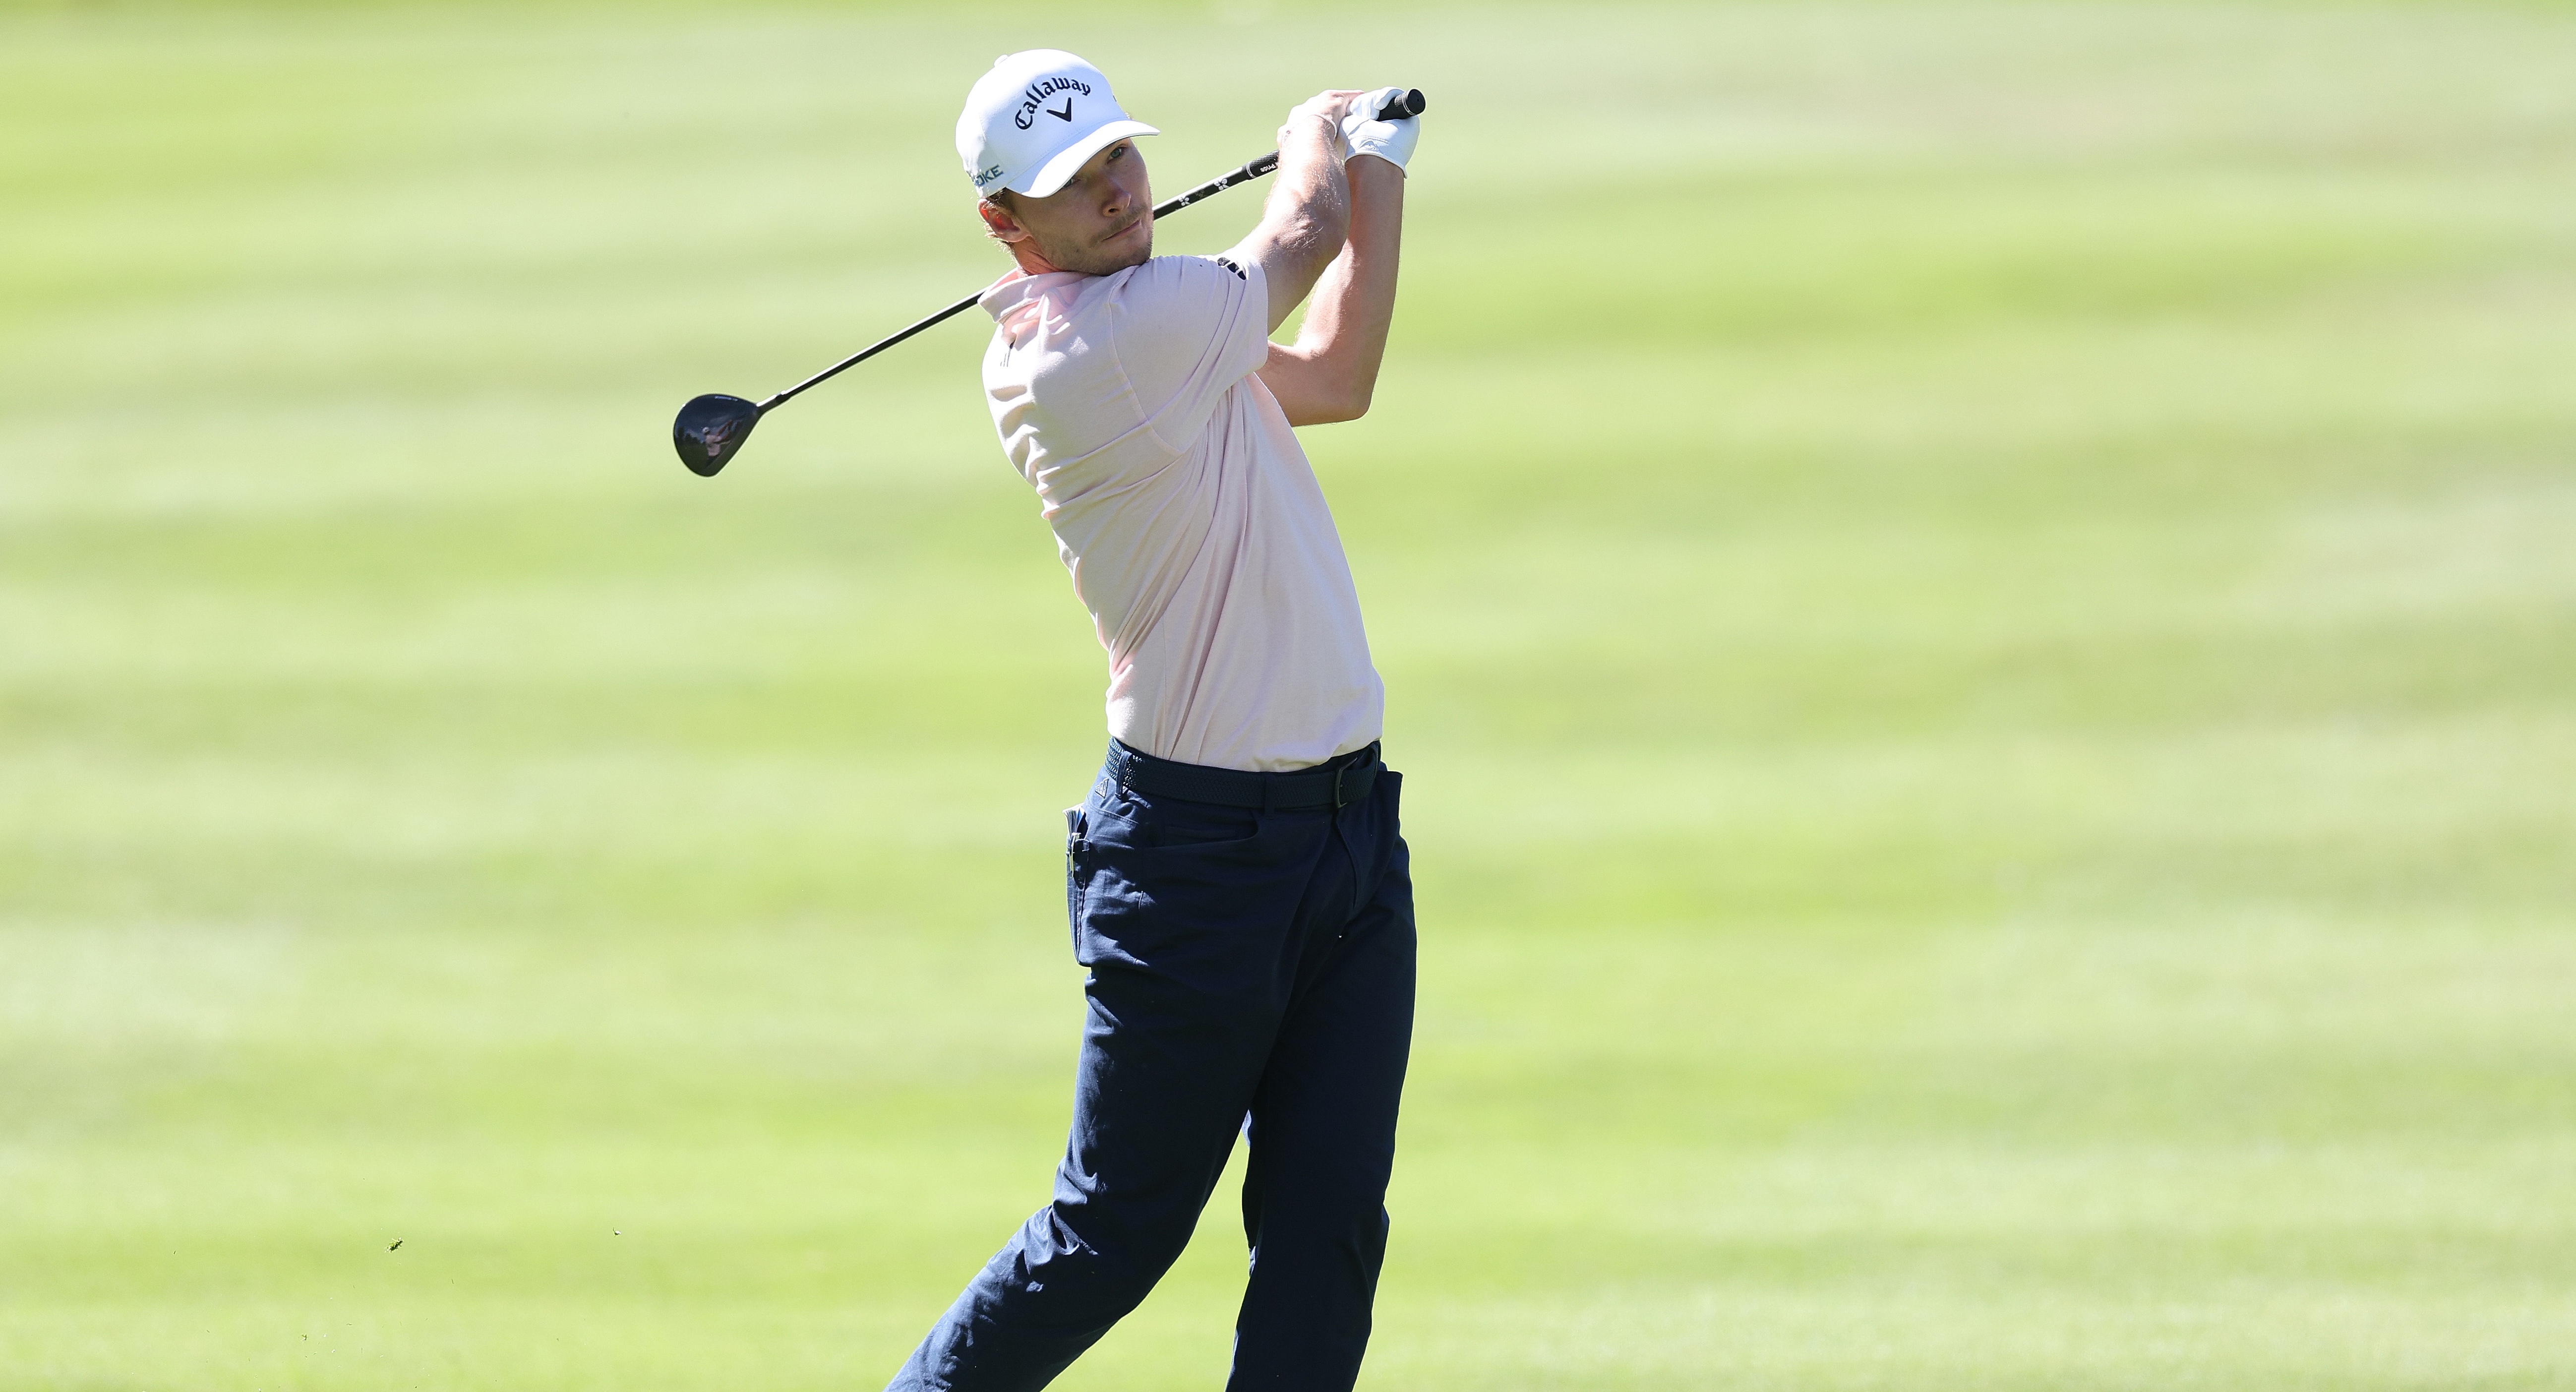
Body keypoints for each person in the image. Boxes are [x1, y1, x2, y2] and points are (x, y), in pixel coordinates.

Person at [880, 50, 1422, 1392]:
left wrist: (1384, 171)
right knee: (1110, 1235)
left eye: (1119, 155)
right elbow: (1301, 230)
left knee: (1327, 1232)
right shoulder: (1109, 349)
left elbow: (1336, 375)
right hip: (1200, 862)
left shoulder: (1166, 332)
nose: (1119, 190)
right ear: (1007, 223)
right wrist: (1320, 132)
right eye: (1075, 181)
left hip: (1347, 835)